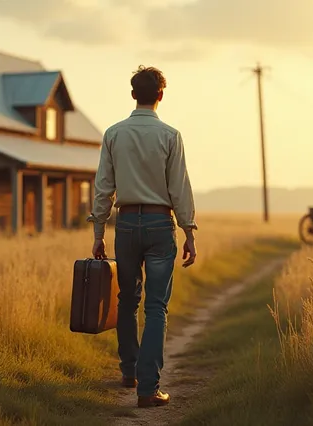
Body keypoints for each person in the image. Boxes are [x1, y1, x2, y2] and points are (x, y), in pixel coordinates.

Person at [87, 65, 198, 408]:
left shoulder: (113, 134)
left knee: (127, 301)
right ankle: (148, 389)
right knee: (156, 308)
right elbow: (179, 188)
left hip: (125, 226)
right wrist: (189, 230)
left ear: (133, 94)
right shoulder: (170, 135)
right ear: (160, 95)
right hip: (160, 225)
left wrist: (98, 233)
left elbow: (103, 188)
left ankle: (129, 371)